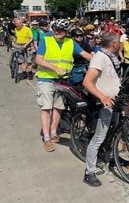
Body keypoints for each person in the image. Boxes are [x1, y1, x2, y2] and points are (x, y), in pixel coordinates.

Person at [36, 19, 92, 152]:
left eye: (61, 30)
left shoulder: (70, 42)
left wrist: (101, 62)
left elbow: (85, 54)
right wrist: (54, 68)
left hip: (63, 81)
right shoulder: (46, 40)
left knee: (58, 107)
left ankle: (54, 133)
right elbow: (38, 59)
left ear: (66, 31)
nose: (57, 32)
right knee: (46, 108)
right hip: (46, 79)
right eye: (55, 29)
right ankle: (47, 138)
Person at [82, 32, 122, 187]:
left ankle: (111, 157)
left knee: (114, 132)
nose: (120, 44)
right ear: (113, 45)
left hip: (114, 102)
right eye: (118, 42)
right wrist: (103, 97)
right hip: (104, 104)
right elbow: (87, 82)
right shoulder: (100, 58)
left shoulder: (109, 57)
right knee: (98, 138)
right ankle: (89, 172)